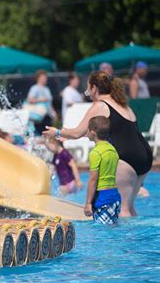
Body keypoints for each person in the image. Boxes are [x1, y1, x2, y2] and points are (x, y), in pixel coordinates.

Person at [43, 71, 153, 217]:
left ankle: (123, 240)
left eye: (89, 88)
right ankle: (139, 239)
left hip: (126, 158)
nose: (88, 92)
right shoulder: (122, 104)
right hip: (145, 155)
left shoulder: (100, 105)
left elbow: (77, 132)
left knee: (123, 210)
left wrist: (56, 132)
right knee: (129, 207)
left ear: (94, 88)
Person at [84, 116, 121, 225]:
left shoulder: (95, 153)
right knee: (113, 230)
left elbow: (93, 179)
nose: (86, 132)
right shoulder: (113, 149)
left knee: (103, 233)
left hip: (102, 198)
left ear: (93, 133)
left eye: (88, 129)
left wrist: (88, 203)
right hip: (115, 196)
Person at [24, 70, 57, 135]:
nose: (45, 79)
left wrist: (54, 113)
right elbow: (29, 100)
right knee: (41, 134)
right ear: (38, 78)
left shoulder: (46, 88)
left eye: (45, 77)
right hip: (39, 117)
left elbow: (49, 102)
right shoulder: (35, 88)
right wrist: (41, 100)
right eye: (43, 77)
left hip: (47, 116)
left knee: (48, 134)